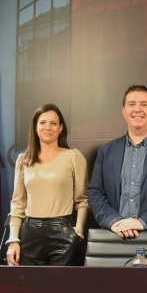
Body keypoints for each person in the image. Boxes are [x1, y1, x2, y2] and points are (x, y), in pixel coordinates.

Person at [87, 85, 147, 253]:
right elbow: (95, 192)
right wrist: (114, 222)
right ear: (124, 111)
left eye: (144, 104)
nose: (138, 109)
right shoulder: (106, 151)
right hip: (114, 239)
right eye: (132, 104)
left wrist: (142, 222)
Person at [6, 104, 89, 266]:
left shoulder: (73, 157)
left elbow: (82, 200)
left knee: (61, 289)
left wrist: (78, 232)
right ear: (35, 128)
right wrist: (13, 240)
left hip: (63, 233)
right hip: (29, 234)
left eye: (53, 123)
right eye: (42, 122)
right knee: (29, 289)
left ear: (61, 128)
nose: (48, 127)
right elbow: (17, 203)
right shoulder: (23, 160)